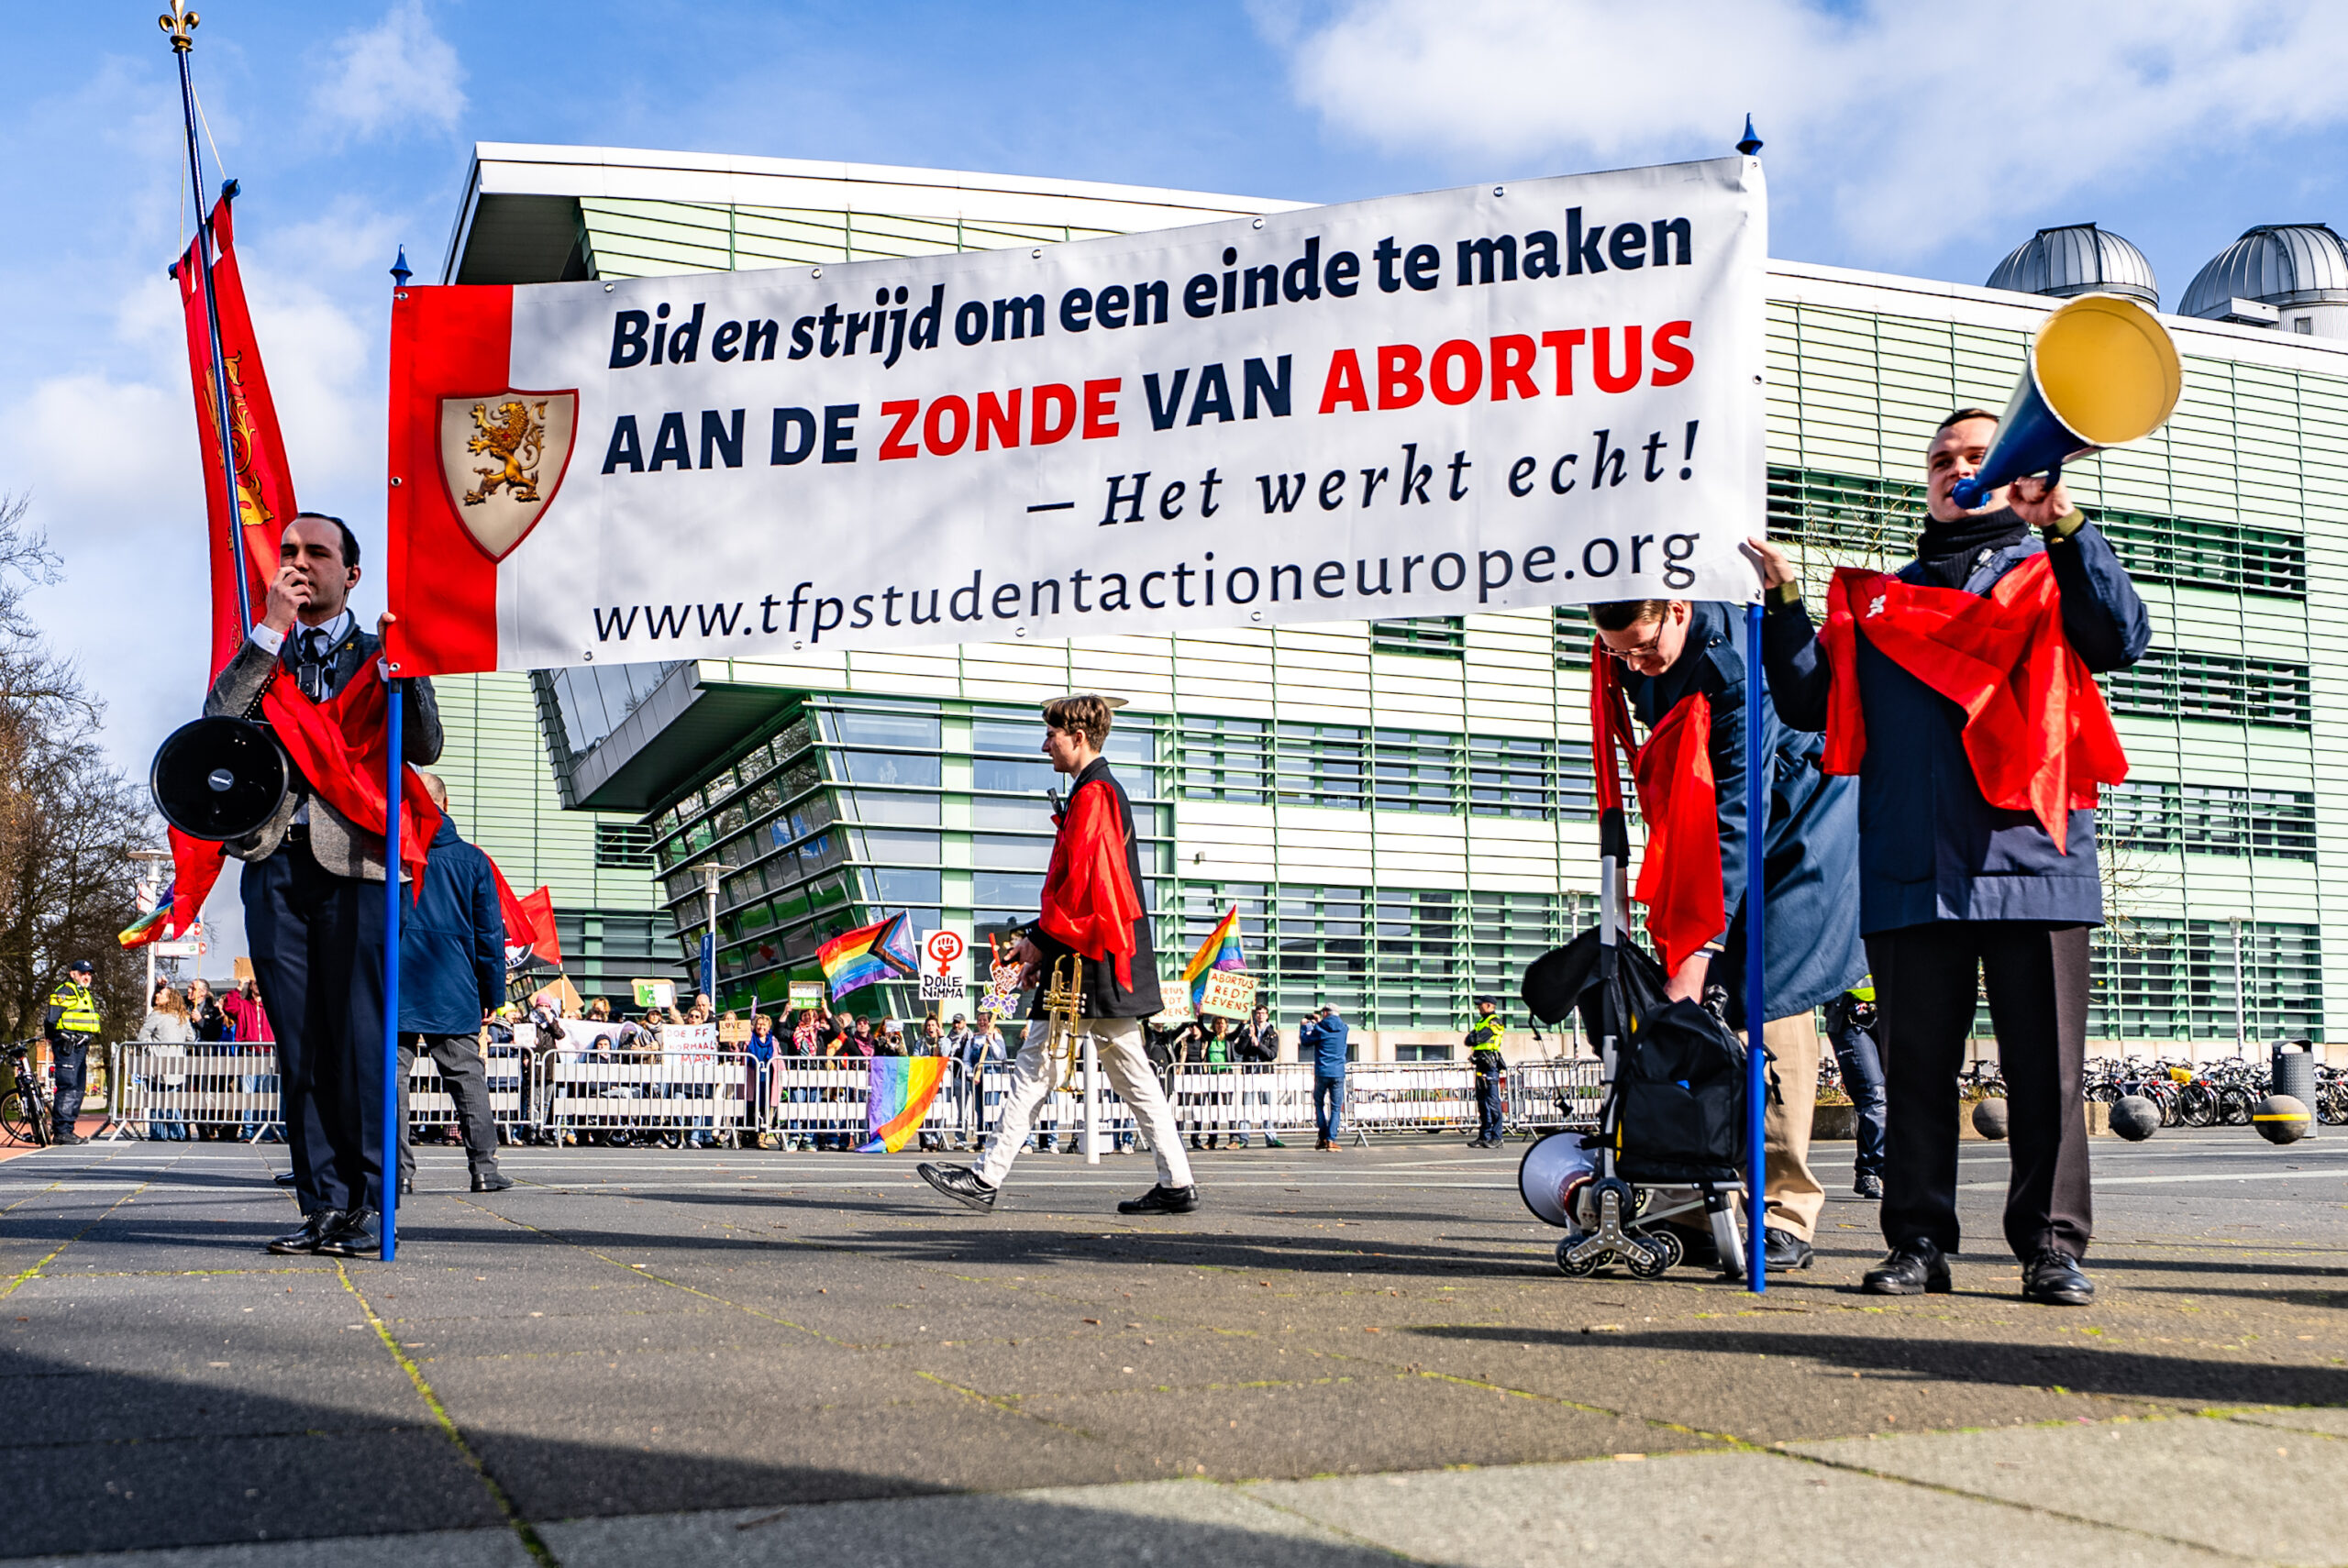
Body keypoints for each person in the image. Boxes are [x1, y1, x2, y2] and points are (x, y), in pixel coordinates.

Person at [1753, 407, 2148, 1307]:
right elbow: (1813, 705)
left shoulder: (2053, 568)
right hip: (1907, 869)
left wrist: (2065, 525)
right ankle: (1918, 1243)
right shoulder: (1880, 597)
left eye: (1974, 455)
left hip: (2034, 863)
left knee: (2044, 1078)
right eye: (1940, 458)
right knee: (1916, 1077)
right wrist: (1783, 604)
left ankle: (2050, 1249)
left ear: (2008, 470)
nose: (1953, 468)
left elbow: (2120, 637)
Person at [1592, 593, 1866, 1273]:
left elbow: (1739, 817)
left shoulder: (1738, 663)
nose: (1636, 666)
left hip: (1798, 819)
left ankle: (1784, 1210)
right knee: (1689, 1012)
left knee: (1763, 996)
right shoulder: (1626, 653)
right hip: (1708, 816)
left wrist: (1704, 944)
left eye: (1644, 649)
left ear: (1677, 611)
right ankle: (1701, 1193)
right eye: (1621, 653)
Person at [206, 511, 443, 1258]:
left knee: (361, 1040)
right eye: (288, 553)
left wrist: (411, 659)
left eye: (317, 553)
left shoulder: (381, 653)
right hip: (274, 865)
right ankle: (323, 1207)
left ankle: (372, 1204)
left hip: (359, 866)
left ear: (352, 573)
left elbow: (426, 741)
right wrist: (270, 627)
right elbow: (217, 721)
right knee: (302, 1047)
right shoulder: (264, 656)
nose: (299, 563)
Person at [919, 693, 1198, 1215]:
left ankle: (985, 1178)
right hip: (1101, 956)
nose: (1046, 744)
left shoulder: (1094, 795)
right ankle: (1176, 1181)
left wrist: (1039, 943)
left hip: (1086, 961)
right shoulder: (1102, 792)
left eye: (1053, 735)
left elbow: (1081, 889)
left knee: (1038, 1068)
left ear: (1079, 737)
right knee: (1125, 1076)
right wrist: (1042, 943)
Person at [393, 772, 511, 1197]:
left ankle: (397, 1173)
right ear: (447, 803)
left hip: (397, 983)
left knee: (392, 1083)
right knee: (467, 1080)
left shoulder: (392, 852)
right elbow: (490, 937)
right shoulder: (474, 861)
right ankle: (484, 1169)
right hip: (454, 986)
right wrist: (491, 996)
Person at [1823, 980, 1888, 1199]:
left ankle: (1866, 1170)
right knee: (1873, 1096)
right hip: (1849, 1015)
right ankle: (1890, 1170)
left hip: (1890, 1011)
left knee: (1887, 1098)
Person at [38, 959, 102, 1144]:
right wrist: (51, 1037)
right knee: (67, 1086)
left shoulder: (84, 994)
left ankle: (68, 1129)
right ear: (72, 974)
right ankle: (61, 1131)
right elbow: (51, 1019)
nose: (87, 977)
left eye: (89, 974)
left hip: (80, 1046)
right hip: (67, 1045)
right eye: (83, 973)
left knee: (78, 1088)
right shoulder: (65, 992)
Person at [135, 981, 194, 1143]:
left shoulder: (157, 1015)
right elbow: (191, 1038)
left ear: (169, 999)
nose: (157, 995)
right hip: (177, 1065)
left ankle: (159, 1132)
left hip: (157, 1063)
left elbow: (142, 1037)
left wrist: (150, 1048)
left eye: (161, 994)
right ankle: (177, 1132)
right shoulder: (182, 1017)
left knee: (156, 1099)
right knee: (171, 1099)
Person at [222, 977, 276, 1143]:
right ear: (250, 986)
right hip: (249, 1053)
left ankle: (266, 1129)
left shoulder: (271, 1005)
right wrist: (238, 989)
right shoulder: (244, 1005)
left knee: (266, 1093)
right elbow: (230, 1006)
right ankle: (248, 1130)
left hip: (268, 1053)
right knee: (248, 1093)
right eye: (254, 982)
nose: (258, 985)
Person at [1231, 1005, 1282, 1149]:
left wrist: (1258, 1045)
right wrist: (1248, 1037)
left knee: (1267, 1106)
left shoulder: (1272, 1033)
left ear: (1267, 1016)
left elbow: (1272, 1054)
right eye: (1258, 1013)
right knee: (1247, 1105)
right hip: (1250, 1072)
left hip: (1265, 1073)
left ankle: (1271, 1137)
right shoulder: (1247, 1031)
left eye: (1263, 1013)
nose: (1260, 1015)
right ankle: (1244, 1137)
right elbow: (1239, 1050)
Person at [1301, 1003, 1349, 1151]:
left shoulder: (1319, 1028)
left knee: (1319, 1105)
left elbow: (1306, 1041)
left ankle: (1322, 1136)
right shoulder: (1344, 1028)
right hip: (1338, 1072)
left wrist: (1305, 1026)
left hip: (1322, 1071)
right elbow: (1329, 1029)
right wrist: (1318, 1022)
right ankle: (1331, 1139)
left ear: (1326, 1013)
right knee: (1335, 1108)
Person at [1466, 997, 1507, 1149]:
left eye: (1480, 1005)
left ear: (1489, 1005)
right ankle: (1484, 1136)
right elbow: (1468, 1040)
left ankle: (1497, 1137)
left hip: (1490, 1064)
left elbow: (1479, 1037)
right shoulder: (1480, 1022)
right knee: (1482, 1102)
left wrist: (1475, 1037)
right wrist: (1474, 1038)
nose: (1478, 1008)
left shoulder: (1495, 1021)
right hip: (1481, 1063)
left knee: (1493, 1102)